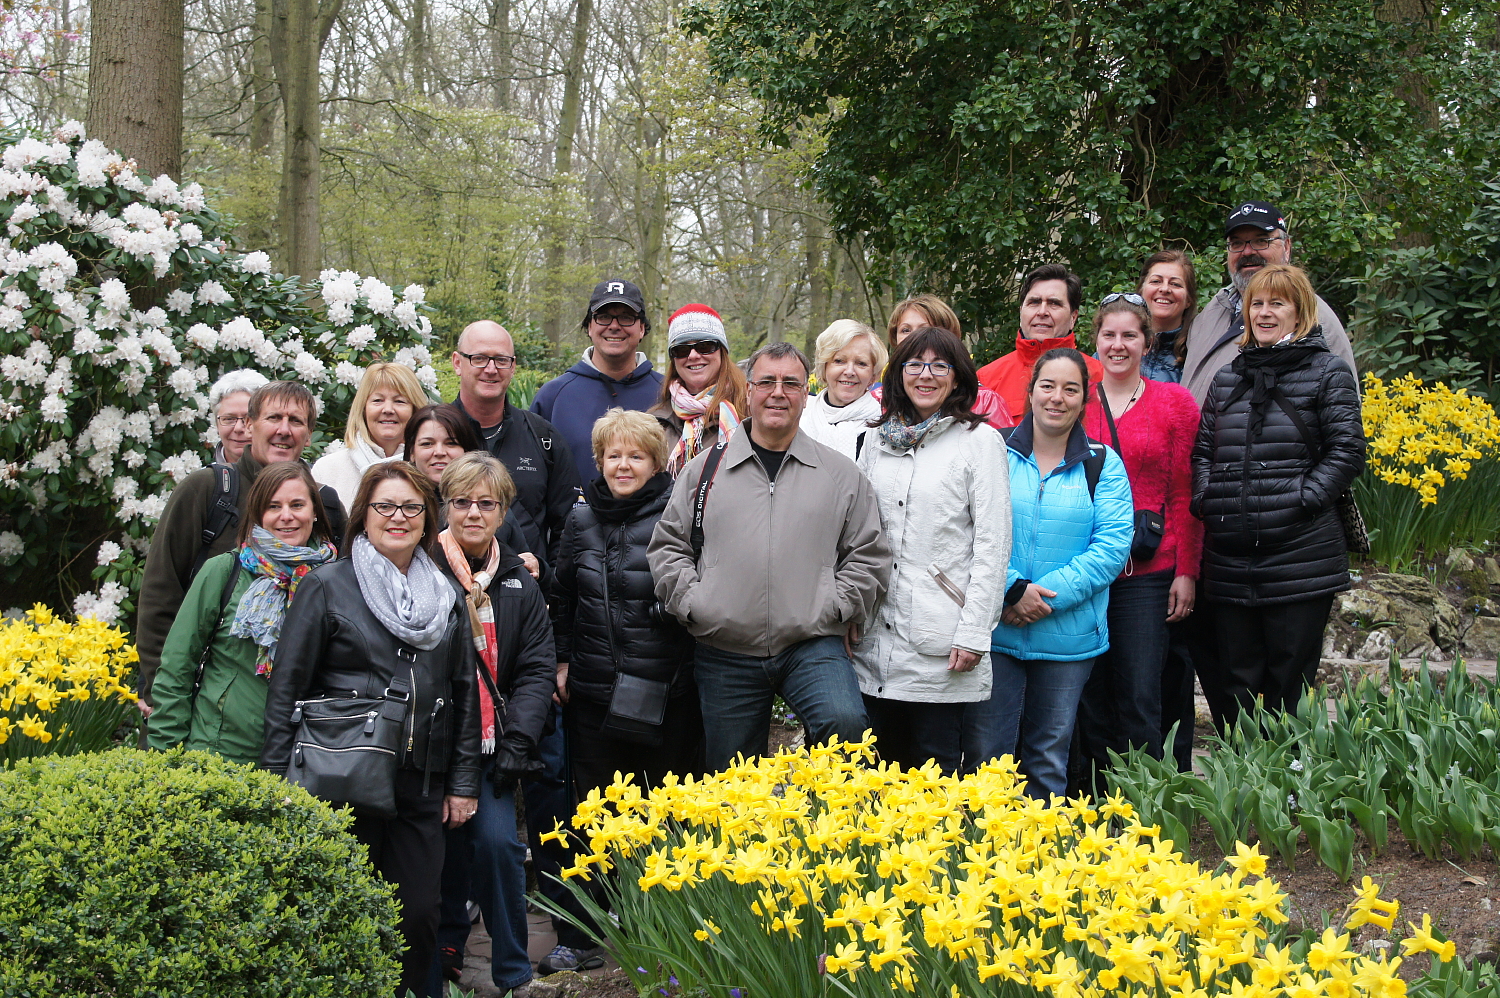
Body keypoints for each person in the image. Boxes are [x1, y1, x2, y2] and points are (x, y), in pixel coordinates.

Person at [261, 461, 481, 998]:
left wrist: (464, 781)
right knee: (344, 907)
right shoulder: (327, 587)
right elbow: (286, 687)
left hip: (420, 779)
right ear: (365, 515)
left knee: (418, 914)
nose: (398, 517)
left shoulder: (447, 595)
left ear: (428, 519)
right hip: (342, 774)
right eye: (385, 506)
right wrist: (272, 778)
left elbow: (464, 691)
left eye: (411, 507)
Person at [648, 342, 891, 771]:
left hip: (811, 642)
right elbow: (668, 546)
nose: (778, 393)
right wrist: (695, 603)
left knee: (846, 730)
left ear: (805, 393)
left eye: (791, 383)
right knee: (732, 780)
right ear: (750, 391)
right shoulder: (706, 469)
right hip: (725, 645)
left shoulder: (838, 473)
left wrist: (838, 604)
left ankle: (825, 832)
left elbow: (869, 552)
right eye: (767, 382)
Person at [1191, 264, 1365, 728]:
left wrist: (1302, 500)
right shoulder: (1228, 379)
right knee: (1235, 682)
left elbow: (1346, 452)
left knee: (1289, 681)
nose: (1265, 313)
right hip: (1229, 557)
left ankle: (1290, 789)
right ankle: (1243, 786)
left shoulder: (1328, 373)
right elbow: (1204, 450)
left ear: (1300, 312)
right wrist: (1209, 499)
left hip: (1300, 555)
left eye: (1277, 303)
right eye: (1257, 304)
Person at [135, 381, 346, 716]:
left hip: (298, 713)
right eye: (273, 417)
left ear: (309, 435)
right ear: (249, 425)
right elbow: (161, 593)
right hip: (205, 709)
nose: (284, 430)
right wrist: (160, 695)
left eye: (296, 421)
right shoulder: (207, 490)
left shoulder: (326, 504)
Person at [852, 328, 1010, 774]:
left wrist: (974, 631)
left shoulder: (980, 442)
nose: (926, 375)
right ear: (898, 374)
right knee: (872, 772)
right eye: (914, 364)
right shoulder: (877, 441)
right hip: (875, 634)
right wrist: (850, 612)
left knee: (933, 773)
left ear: (958, 378)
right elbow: (859, 535)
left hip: (941, 640)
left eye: (940, 365)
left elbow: (993, 545)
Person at [979, 349, 1133, 797]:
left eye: (1071, 389)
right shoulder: (993, 452)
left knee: (1048, 757)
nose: (1057, 398)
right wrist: (1011, 590)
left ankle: (1044, 859)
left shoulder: (1102, 465)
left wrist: (1040, 599)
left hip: (1068, 637)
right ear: (1029, 393)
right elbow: (967, 529)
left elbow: (1110, 548)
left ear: (1085, 400)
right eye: (1048, 386)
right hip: (996, 632)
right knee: (989, 757)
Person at [429, 453, 555, 996]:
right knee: (435, 851)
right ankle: (439, 957)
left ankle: (512, 970)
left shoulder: (518, 583)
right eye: (461, 502)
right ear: (445, 507)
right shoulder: (420, 569)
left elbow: (535, 669)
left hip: (489, 745)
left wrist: (518, 741)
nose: (473, 513)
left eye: (486, 503)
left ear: (503, 511)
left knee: (500, 845)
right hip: (430, 743)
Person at [1073, 295, 1202, 794]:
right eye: (1109, 335)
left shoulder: (1173, 403)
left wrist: (1186, 570)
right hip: (1084, 573)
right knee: (1090, 692)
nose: (1118, 344)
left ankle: (1149, 802)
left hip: (1148, 572)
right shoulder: (1075, 399)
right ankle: (1098, 800)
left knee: (1141, 692)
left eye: (1130, 335)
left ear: (1147, 342)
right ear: (1095, 341)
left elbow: (1185, 491)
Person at [147, 462, 337, 765]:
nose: (286, 515)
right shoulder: (224, 571)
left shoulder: (336, 581)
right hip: (219, 752)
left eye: (297, 504)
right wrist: (165, 757)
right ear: (258, 514)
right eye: (273, 506)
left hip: (304, 757)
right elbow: (177, 665)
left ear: (315, 512)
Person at [553, 409, 701, 791]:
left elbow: (702, 590)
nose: (623, 466)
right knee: (600, 811)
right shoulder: (580, 520)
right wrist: (563, 660)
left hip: (664, 692)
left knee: (665, 813)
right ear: (600, 460)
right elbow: (563, 595)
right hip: (592, 692)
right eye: (613, 455)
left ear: (655, 464)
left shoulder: (678, 516)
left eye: (636, 457)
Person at [1182, 201, 1357, 404]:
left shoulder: (1314, 317)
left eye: (1261, 241)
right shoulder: (1214, 310)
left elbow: (1343, 413)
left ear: (1287, 247)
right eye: (1237, 243)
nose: (1247, 252)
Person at [450, 319, 582, 566]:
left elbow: (570, 525)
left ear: (513, 367)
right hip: (449, 593)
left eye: (501, 360)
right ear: (458, 363)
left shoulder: (543, 437)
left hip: (527, 595)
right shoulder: (435, 437)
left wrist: (548, 580)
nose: (491, 369)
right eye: (479, 358)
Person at [531, 279, 665, 485]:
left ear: (642, 329)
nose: (614, 326)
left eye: (626, 318)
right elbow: (533, 479)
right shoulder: (553, 397)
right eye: (603, 317)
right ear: (589, 327)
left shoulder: (668, 393)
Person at [405, 403, 539, 582]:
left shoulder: (493, 503)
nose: (439, 452)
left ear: (466, 450)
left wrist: (536, 567)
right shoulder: (400, 506)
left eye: (451, 443)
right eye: (427, 444)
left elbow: (522, 566)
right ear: (412, 451)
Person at [976, 265, 1104, 423]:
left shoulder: (1101, 376)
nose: (1042, 312)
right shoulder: (987, 379)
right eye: (1034, 302)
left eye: (1054, 303)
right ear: (1021, 311)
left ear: (1073, 317)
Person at [882, 294, 1011, 428]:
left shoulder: (985, 401)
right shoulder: (881, 398)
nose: (913, 337)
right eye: (906, 330)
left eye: (924, 329)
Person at [648, 304, 748, 476]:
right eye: (682, 349)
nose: (693, 355)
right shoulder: (653, 422)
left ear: (722, 352)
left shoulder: (749, 411)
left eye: (705, 346)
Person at [313, 362, 426, 510]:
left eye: (399, 401)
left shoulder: (427, 468)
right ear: (363, 408)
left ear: (415, 409)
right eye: (378, 400)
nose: (388, 409)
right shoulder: (327, 469)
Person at [798, 319, 887, 460]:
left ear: (873, 375)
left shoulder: (884, 429)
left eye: (861, 363)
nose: (849, 371)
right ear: (824, 367)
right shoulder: (800, 417)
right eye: (839, 361)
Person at [1137, 250, 1198, 383]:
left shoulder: (1198, 356)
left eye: (1175, 284)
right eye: (1156, 281)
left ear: (1189, 299)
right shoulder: (1114, 347)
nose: (1165, 289)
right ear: (1141, 290)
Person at [207, 368, 269, 465]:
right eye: (229, 419)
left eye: (249, 419)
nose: (238, 428)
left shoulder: (296, 478)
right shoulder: (203, 479)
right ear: (217, 424)